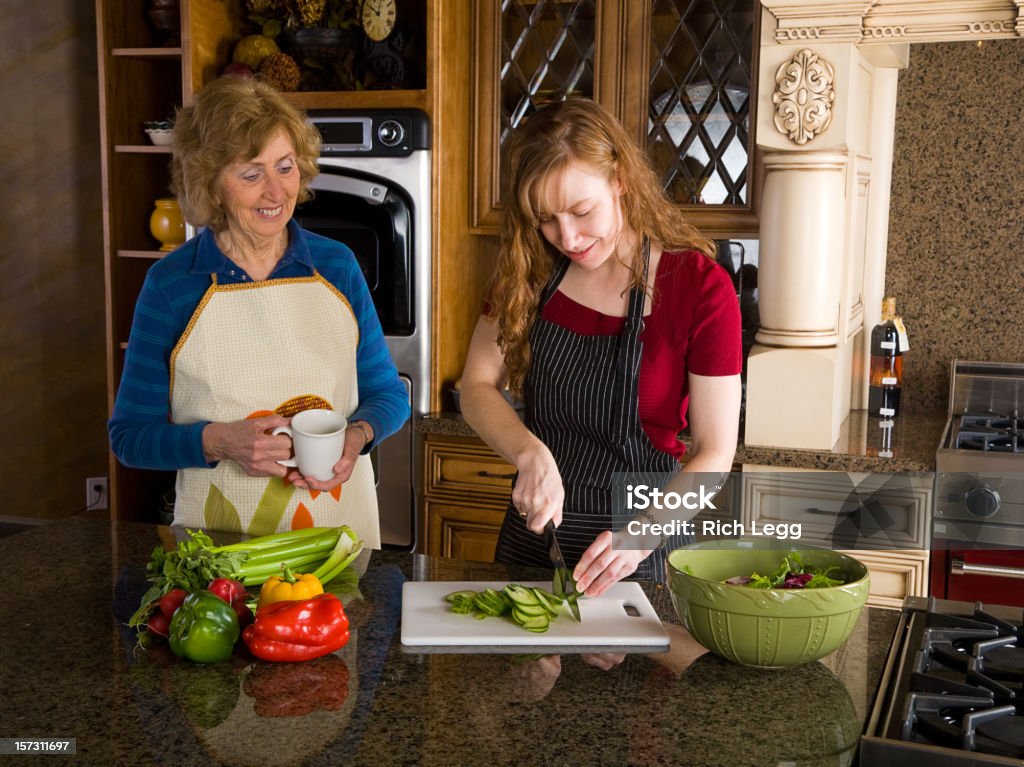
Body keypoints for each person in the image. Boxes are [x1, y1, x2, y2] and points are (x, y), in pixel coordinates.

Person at [108, 77, 409, 547]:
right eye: (251, 174)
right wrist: (216, 442)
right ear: (211, 184)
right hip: (219, 555)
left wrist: (359, 436)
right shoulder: (172, 285)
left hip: (339, 541)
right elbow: (129, 437)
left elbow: (388, 395)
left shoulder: (337, 266)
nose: (276, 192)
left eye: (285, 167)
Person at [460, 97, 741, 596]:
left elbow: (714, 454)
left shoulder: (698, 287)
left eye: (581, 211)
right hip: (533, 536)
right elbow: (477, 386)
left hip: (642, 547)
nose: (566, 236)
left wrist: (640, 536)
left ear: (620, 181)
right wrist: (528, 453)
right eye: (545, 218)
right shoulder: (531, 273)